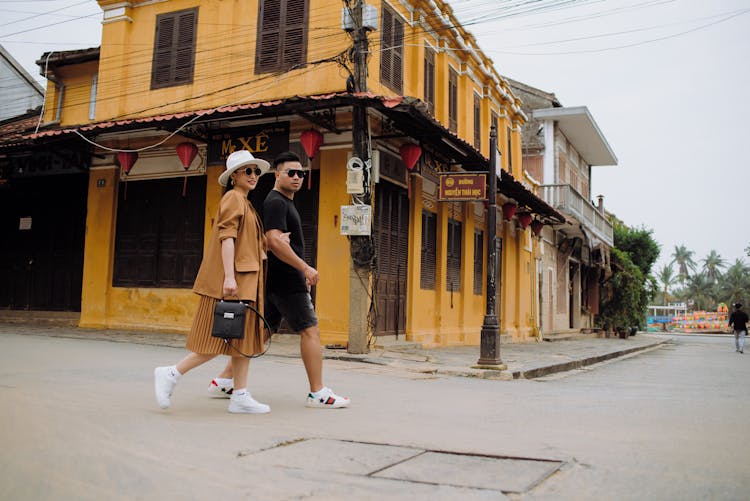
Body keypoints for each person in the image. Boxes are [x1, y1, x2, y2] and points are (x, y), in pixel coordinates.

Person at [209, 151, 350, 409]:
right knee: (310, 330)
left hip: (276, 278)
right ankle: (317, 392)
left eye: (301, 173)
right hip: (285, 279)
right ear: (277, 174)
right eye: (291, 173)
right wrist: (305, 268)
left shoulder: (284, 202)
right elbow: (274, 241)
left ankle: (224, 379)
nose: (297, 177)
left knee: (262, 332)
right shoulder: (275, 202)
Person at [154, 150, 272, 413]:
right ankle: (171, 373)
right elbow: (226, 237)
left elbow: (246, 242)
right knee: (216, 340)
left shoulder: (246, 203)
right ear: (234, 177)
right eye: (248, 171)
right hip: (235, 280)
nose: (254, 176)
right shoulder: (233, 198)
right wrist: (229, 276)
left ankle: (240, 394)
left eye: (256, 171)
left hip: (248, 279)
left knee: (243, 342)